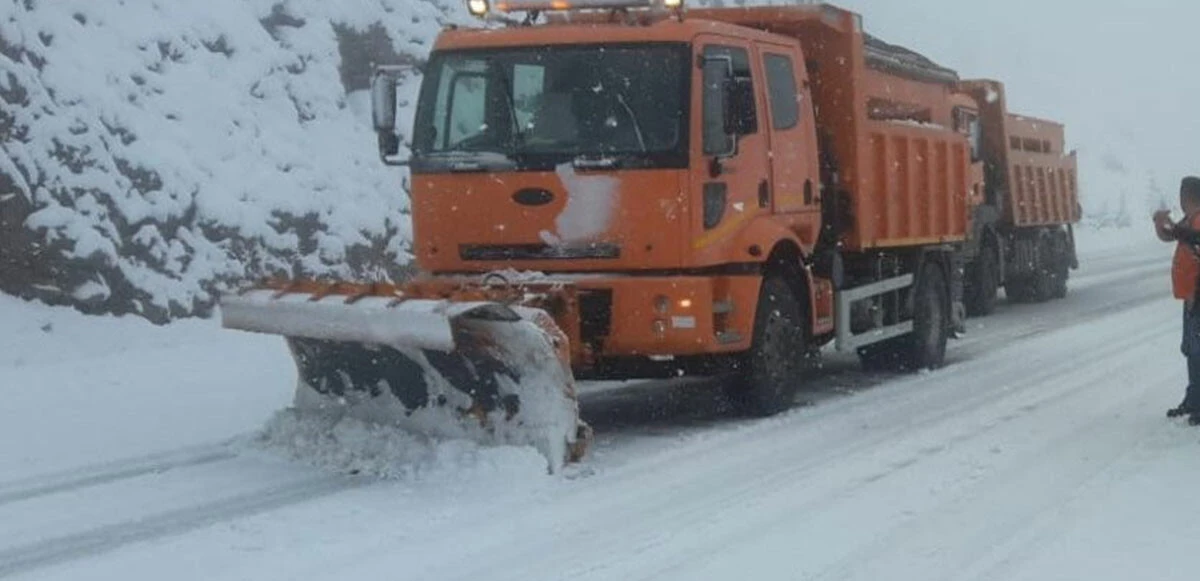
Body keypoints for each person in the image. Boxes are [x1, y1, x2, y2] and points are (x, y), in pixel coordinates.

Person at [1154, 176, 1200, 424]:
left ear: (1187, 196)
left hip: (1198, 296)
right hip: (1191, 297)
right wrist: (1161, 224)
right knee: (1191, 349)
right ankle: (1194, 398)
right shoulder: (1190, 220)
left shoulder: (1199, 219)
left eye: (1182, 195)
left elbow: (1191, 237)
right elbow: (1174, 235)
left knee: (1197, 351)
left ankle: (1198, 402)